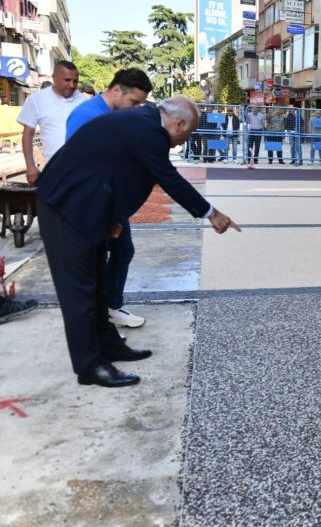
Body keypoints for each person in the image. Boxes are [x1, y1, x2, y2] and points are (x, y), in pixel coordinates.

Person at [35, 97, 240, 388]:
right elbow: (168, 179)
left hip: (88, 205)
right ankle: (89, 366)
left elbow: (120, 175)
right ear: (179, 123)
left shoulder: (141, 123)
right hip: (65, 206)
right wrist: (212, 214)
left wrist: (114, 218)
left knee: (98, 286)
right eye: (188, 134)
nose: (184, 141)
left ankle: (108, 346)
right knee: (79, 293)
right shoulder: (148, 130)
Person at [66, 68, 154, 329]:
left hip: (112, 199)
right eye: (134, 102)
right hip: (91, 201)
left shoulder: (118, 115)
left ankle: (111, 307)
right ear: (117, 90)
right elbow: (81, 166)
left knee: (123, 250)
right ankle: (94, 319)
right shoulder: (86, 116)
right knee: (93, 261)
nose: (137, 108)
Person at [17, 60, 87, 184]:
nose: (72, 85)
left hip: (82, 170)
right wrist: (30, 166)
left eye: (75, 81)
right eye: (67, 80)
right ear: (54, 78)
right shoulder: (36, 100)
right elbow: (27, 135)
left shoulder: (83, 101)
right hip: (53, 170)